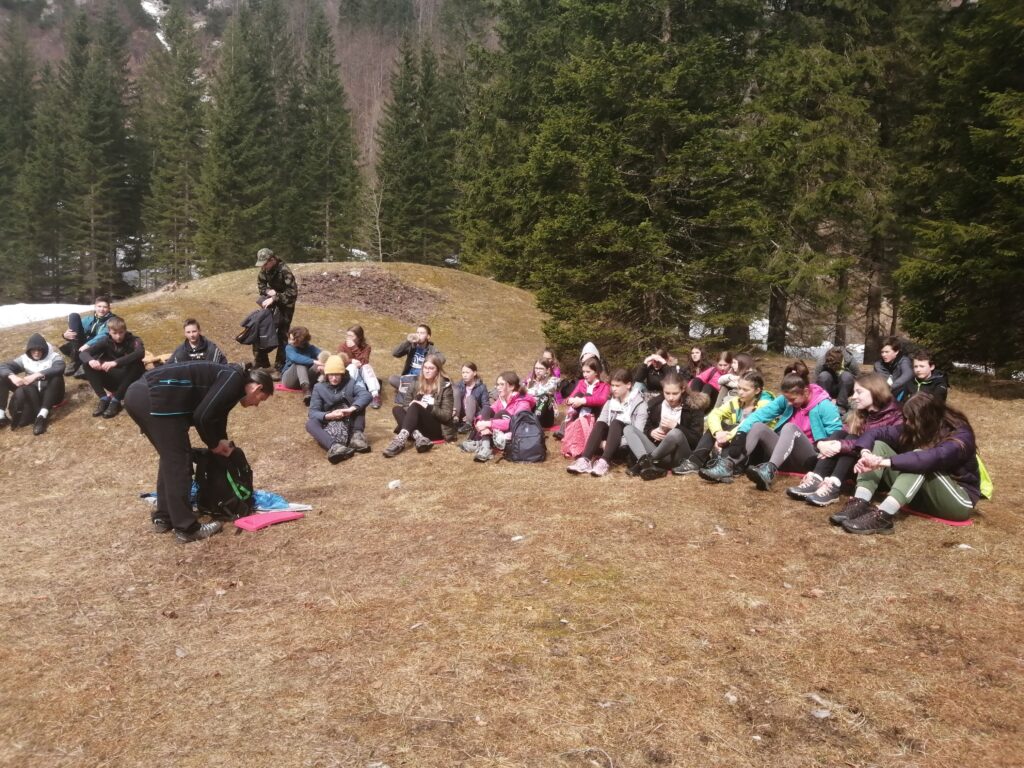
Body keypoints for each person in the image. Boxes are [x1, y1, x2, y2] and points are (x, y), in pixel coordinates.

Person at [124, 363, 273, 542]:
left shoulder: (232, 380)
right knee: (179, 462)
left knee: (171, 458)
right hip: (153, 397)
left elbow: (217, 415)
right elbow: (202, 416)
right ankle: (186, 528)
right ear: (257, 388)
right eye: (261, 399)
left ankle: (164, 517)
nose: (256, 404)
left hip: (141, 395)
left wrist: (220, 441)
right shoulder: (234, 379)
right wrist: (213, 445)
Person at [828, 394, 980, 535]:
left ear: (927, 418)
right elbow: (875, 433)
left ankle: (883, 516)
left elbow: (932, 458)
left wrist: (881, 462)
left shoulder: (961, 437)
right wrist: (866, 454)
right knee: (880, 445)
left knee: (918, 459)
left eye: (910, 420)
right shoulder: (917, 427)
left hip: (958, 502)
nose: (906, 423)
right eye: (906, 418)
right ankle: (860, 501)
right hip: (922, 496)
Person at [700, 372, 843, 489]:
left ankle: (769, 471)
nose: (789, 403)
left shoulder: (825, 406)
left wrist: (822, 445)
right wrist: (741, 433)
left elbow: (837, 435)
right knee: (757, 425)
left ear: (806, 392)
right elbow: (759, 415)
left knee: (790, 427)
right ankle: (728, 465)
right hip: (783, 454)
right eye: (786, 399)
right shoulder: (786, 400)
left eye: (792, 399)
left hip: (809, 457)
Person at [787, 373, 903, 506]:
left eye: (859, 392)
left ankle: (834, 486)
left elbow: (877, 446)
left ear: (875, 391)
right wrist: (822, 444)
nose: (853, 397)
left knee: (852, 440)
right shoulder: (863, 412)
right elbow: (843, 432)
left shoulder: (896, 416)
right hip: (859, 465)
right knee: (840, 433)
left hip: (879, 470)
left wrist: (839, 446)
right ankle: (817, 478)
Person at [680, 370, 774, 477]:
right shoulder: (737, 401)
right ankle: (695, 461)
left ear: (757, 390)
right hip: (737, 442)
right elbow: (715, 414)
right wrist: (718, 432)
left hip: (757, 448)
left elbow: (748, 424)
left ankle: (731, 467)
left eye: (745, 390)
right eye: (739, 388)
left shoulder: (766, 405)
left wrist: (727, 437)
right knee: (719, 425)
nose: (740, 392)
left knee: (739, 428)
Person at [623, 372, 707, 480]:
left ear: (682, 389)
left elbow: (697, 440)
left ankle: (643, 464)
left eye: (675, 393)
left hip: (680, 456)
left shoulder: (694, 406)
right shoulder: (655, 404)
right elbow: (646, 429)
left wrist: (676, 426)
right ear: (663, 390)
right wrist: (651, 432)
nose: (671, 397)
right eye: (667, 393)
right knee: (628, 429)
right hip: (659, 454)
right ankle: (647, 464)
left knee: (675, 433)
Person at [566, 368, 647, 477]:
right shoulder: (610, 402)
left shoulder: (640, 404)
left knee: (616, 422)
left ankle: (604, 462)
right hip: (606, 443)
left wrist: (610, 443)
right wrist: (603, 442)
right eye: (612, 385)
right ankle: (585, 460)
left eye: (617, 386)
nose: (614, 389)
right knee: (600, 423)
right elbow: (601, 422)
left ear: (628, 385)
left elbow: (638, 434)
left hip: (625, 445)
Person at [383, 354, 456, 457]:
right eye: (425, 368)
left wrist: (426, 406)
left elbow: (446, 416)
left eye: (431, 368)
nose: (427, 371)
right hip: (418, 426)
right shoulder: (415, 382)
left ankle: (400, 441)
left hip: (437, 428)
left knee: (415, 405)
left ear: (437, 370)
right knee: (397, 409)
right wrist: (415, 406)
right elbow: (406, 405)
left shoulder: (445, 387)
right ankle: (419, 437)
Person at [306, 354, 372, 463]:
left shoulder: (350, 383)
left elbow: (366, 395)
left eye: (337, 374)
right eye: (331, 375)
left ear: (342, 374)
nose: (334, 378)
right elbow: (312, 412)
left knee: (359, 404)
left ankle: (356, 437)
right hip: (329, 422)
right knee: (310, 423)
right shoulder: (318, 387)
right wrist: (329, 415)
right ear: (326, 375)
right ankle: (334, 447)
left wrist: (351, 409)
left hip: (349, 420)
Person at [460, 371, 537, 463]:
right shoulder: (502, 399)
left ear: (511, 387)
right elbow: (488, 412)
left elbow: (514, 423)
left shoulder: (523, 402)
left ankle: (482, 445)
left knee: (502, 413)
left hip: (514, 434)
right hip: (499, 432)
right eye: (497, 384)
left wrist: (489, 424)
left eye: (501, 384)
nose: (497, 387)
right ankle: (485, 445)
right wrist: (479, 422)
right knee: (487, 409)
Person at [79, 317, 146, 419]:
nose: (118, 336)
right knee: (87, 364)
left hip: (130, 380)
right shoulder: (106, 341)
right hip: (114, 379)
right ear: (109, 332)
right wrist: (91, 361)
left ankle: (116, 401)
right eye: (115, 333)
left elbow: (140, 353)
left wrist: (116, 362)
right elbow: (83, 353)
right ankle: (103, 399)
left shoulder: (134, 340)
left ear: (125, 330)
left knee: (137, 364)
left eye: (121, 332)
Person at [0, 333, 66, 435]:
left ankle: (42, 416)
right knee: (3, 376)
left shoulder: (54, 357)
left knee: (56, 377)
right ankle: (1, 415)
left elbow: (59, 367)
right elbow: (3, 367)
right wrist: (12, 376)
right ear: (29, 350)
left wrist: (36, 375)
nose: (36, 353)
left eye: (39, 350)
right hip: (33, 393)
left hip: (51, 394)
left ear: (44, 350)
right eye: (33, 350)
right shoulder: (25, 359)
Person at [255, 247, 298, 373]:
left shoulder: (285, 271)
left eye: (265, 264)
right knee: (261, 329)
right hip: (271, 305)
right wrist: (268, 291)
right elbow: (261, 286)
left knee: (283, 335)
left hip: (286, 306)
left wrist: (275, 297)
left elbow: (292, 294)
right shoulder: (264, 270)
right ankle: (262, 363)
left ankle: (280, 366)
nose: (263, 267)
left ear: (272, 260)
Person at [60, 296, 117, 377]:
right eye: (99, 306)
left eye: (105, 307)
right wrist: (65, 335)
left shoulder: (113, 320)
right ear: (95, 307)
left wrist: (87, 345)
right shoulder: (88, 319)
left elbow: (104, 335)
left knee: (103, 340)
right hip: (81, 346)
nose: (101, 309)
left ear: (109, 308)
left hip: (99, 346)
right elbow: (78, 331)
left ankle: (83, 364)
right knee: (73, 316)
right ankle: (75, 360)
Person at [555, 357, 610, 439]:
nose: (585, 374)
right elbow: (571, 396)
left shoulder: (604, 386)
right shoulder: (581, 383)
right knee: (579, 394)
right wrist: (569, 400)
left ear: (596, 372)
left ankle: (577, 427)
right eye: (583, 372)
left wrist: (583, 401)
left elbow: (602, 400)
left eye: (588, 372)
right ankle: (572, 425)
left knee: (586, 395)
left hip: (595, 415)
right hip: (579, 412)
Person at [389, 324, 442, 393]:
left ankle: (408, 390)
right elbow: (395, 353)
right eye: (417, 332)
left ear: (428, 336)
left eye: (422, 333)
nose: (418, 335)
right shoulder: (411, 346)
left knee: (422, 385)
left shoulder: (431, 349)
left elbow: (442, 359)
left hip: (421, 380)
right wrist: (408, 341)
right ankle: (413, 391)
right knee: (392, 379)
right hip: (408, 378)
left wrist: (431, 361)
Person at [340, 325, 382, 409]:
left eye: (351, 336)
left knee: (366, 366)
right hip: (349, 374)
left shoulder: (366, 347)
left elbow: (364, 361)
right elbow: (339, 361)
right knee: (353, 366)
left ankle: (375, 395)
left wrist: (354, 348)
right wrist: (351, 361)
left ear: (359, 337)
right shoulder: (343, 346)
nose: (348, 338)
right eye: (347, 335)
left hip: (362, 374)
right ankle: (347, 394)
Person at [282, 326, 323, 405]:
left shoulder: (311, 348)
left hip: (306, 379)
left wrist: (324, 362)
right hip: (289, 380)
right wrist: (313, 361)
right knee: (300, 363)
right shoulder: (289, 348)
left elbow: (322, 354)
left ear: (301, 341)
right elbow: (295, 358)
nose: (289, 341)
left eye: (292, 339)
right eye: (289, 338)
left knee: (318, 365)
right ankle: (306, 391)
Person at [814, 345, 858, 412]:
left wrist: (854, 395)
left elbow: (858, 379)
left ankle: (841, 406)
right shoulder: (822, 361)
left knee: (846, 376)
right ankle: (824, 403)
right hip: (829, 388)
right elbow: (815, 381)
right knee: (823, 376)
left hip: (846, 390)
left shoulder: (851, 361)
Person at [873, 336, 914, 402]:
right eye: (882, 352)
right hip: (884, 395)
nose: (883, 355)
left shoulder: (904, 361)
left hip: (901, 395)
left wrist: (891, 387)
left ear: (896, 351)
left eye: (887, 352)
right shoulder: (878, 365)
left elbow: (908, 374)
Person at [453, 362, 490, 434]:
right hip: (461, 413)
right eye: (463, 372)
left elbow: (486, 405)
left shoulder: (482, 387)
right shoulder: (458, 385)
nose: (465, 375)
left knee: (470, 398)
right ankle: (455, 420)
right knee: (456, 391)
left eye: (467, 372)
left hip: (474, 413)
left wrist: (475, 416)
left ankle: (468, 424)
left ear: (474, 373)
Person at [524, 358, 560, 428]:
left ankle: (533, 424)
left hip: (546, 416)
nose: (538, 371)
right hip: (532, 411)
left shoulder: (553, 380)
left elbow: (542, 391)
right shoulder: (531, 381)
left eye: (541, 369)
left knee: (545, 396)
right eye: (536, 368)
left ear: (547, 370)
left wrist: (528, 392)